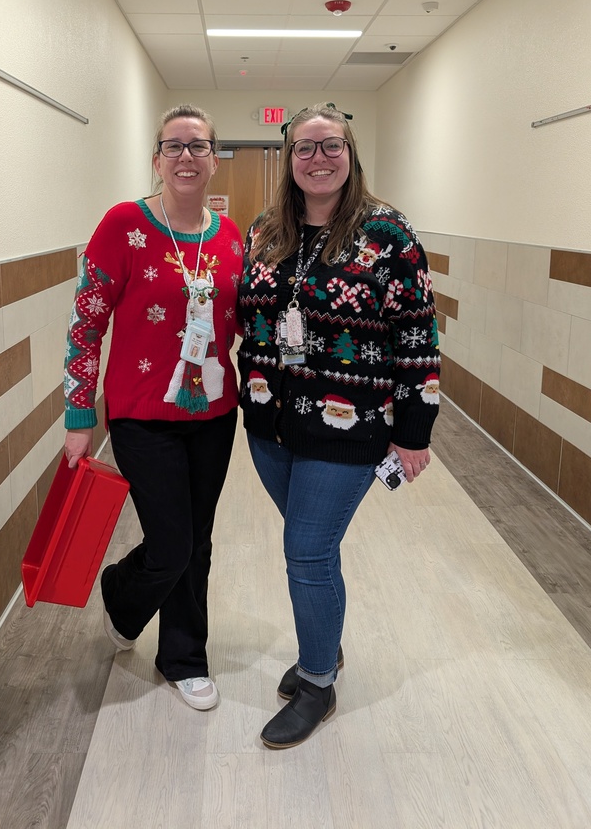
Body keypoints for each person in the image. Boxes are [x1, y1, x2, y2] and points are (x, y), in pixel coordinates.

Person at [237, 102, 440, 747]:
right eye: (304, 148)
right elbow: (247, 317)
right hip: (269, 422)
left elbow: (418, 334)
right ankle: (326, 646)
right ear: (287, 158)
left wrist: (414, 430)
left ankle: (319, 678)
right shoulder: (265, 230)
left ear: (351, 155)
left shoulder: (387, 232)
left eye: (331, 147)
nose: (318, 159)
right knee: (311, 546)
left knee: (307, 550)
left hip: (350, 427)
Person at [63, 104, 243, 711]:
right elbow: (86, 323)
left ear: (214, 160)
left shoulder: (229, 237)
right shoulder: (123, 225)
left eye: (199, 146)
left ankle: (184, 658)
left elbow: (240, 323)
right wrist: (79, 416)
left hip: (216, 415)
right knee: (170, 544)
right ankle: (122, 591)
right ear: (157, 160)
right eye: (175, 146)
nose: (187, 156)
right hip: (143, 416)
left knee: (198, 541)